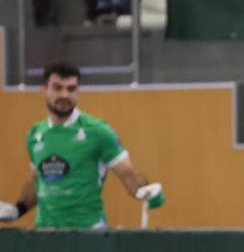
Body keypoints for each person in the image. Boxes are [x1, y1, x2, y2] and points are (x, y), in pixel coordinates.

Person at [1, 61, 164, 228]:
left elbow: (129, 174)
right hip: (45, 234)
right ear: (44, 90)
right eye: (57, 88)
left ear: (78, 92)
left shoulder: (99, 132)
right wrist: (17, 210)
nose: (64, 94)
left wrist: (148, 191)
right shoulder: (35, 134)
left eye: (71, 89)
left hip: (88, 234)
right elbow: (38, 180)